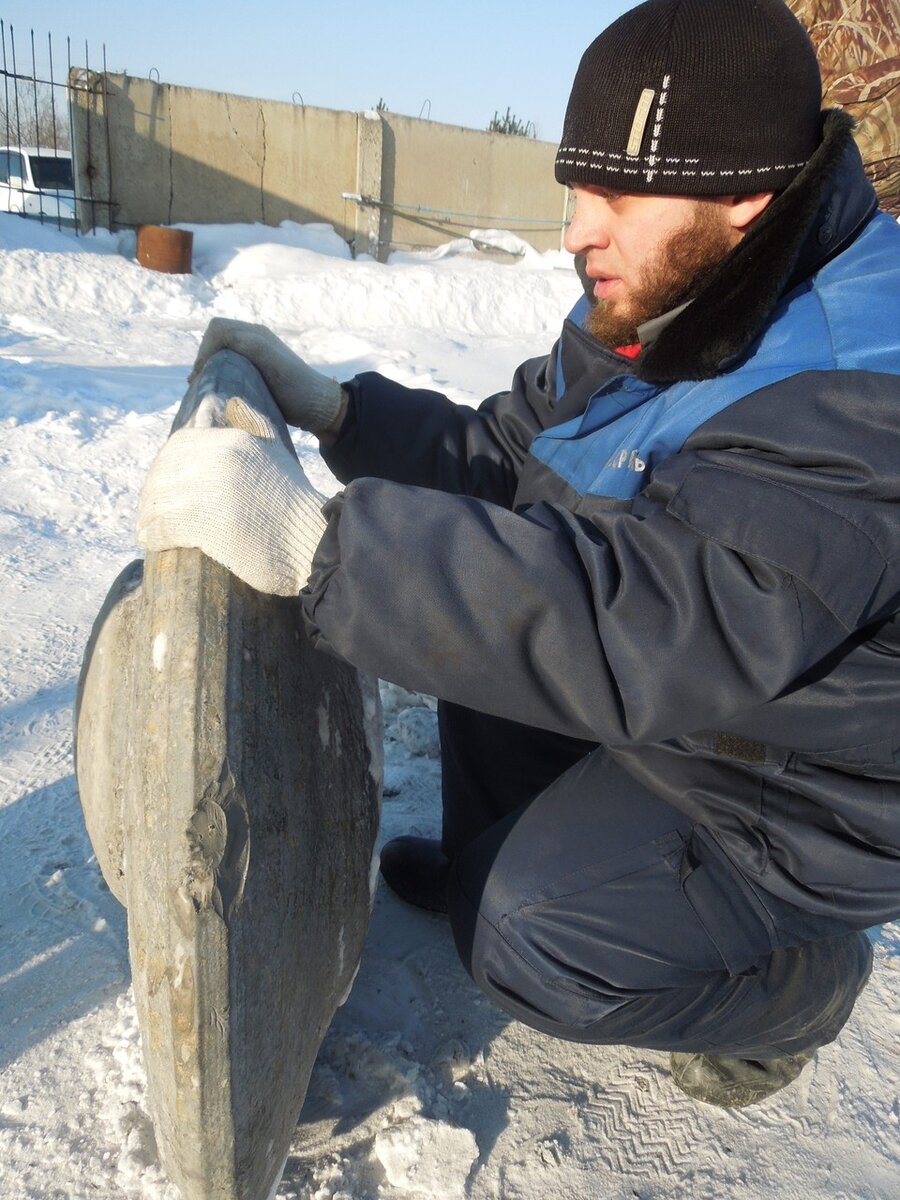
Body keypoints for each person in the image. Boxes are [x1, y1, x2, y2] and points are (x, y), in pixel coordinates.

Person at [137, 0, 900, 1109]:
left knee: (525, 935)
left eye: (619, 194)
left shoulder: (853, 392)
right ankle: (516, 853)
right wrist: (344, 414)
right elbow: (521, 460)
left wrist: (316, 547)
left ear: (744, 193)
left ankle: (799, 983)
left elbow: (645, 626)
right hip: (692, 710)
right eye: (576, 186)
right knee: (482, 625)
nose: (577, 229)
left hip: (793, 799)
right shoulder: (676, 289)